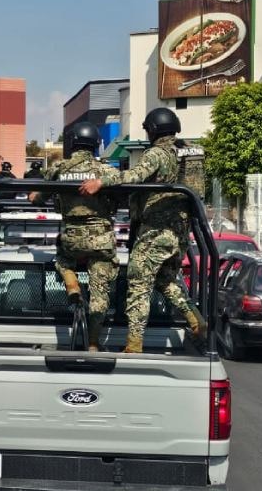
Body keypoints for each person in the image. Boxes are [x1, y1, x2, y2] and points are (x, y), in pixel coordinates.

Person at [79, 107, 206, 353]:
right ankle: (197, 321)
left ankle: (134, 345)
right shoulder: (191, 151)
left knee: (138, 285)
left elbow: (136, 175)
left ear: (153, 129)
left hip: (155, 232)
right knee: (166, 280)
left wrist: (100, 182)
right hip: (179, 232)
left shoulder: (158, 153)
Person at [30, 122, 120, 352]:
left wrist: (33, 195)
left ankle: (72, 284)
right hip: (101, 240)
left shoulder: (59, 168)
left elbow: (39, 197)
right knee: (100, 292)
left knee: (62, 260)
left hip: (71, 236)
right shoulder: (105, 170)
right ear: (95, 144)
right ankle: (92, 342)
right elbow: (121, 191)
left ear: (73, 143)